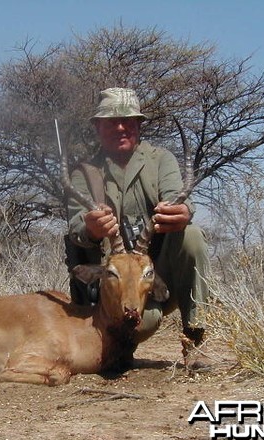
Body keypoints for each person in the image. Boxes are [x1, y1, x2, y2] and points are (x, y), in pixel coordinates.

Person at [65, 87, 210, 365]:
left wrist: (183, 212)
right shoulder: (84, 173)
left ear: (139, 125)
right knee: (141, 324)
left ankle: (196, 340)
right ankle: (112, 341)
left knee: (191, 236)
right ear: (97, 126)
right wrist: (91, 228)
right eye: (111, 122)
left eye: (129, 121)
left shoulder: (160, 159)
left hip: (154, 280)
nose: (121, 128)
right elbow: (75, 229)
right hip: (113, 291)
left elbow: (177, 198)